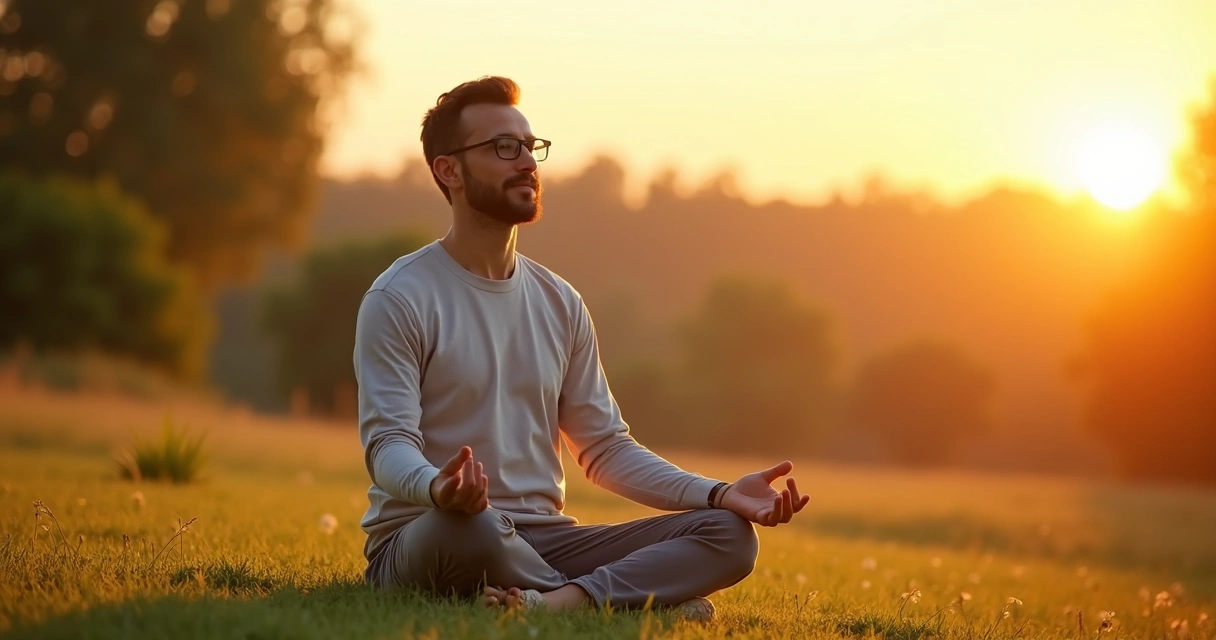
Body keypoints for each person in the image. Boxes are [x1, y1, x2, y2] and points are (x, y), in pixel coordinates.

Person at [353, 75, 810, 619]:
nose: (527, 162)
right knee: (471, 528)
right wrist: (437, 488)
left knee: (728, 535)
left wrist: (718, 493)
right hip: (435, 533)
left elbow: (605, 450)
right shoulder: (400, 296)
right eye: (503, 147)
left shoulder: (560, 301)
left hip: (548, 540)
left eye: (530, 146)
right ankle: (628, 600)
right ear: (449, 170)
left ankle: (561, 600)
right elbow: (388, 446)